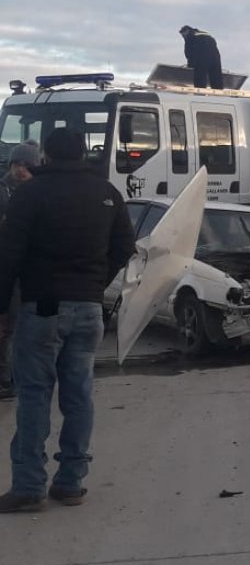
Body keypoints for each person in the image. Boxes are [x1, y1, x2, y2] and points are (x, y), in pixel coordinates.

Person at [0, 128, 134, 512]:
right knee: (79, 397)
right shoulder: (107, 192)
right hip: (88, 309)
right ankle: (71, 483)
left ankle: (29, 486)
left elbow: (7, 258)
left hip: (41, 307)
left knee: (34, 396)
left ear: (46, 158)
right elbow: (125, 248)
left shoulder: (30, 194)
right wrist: (95, 283)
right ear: (82, 154)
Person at [0, 142, 41, 400]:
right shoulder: (3, 192)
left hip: (31, 270)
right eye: (18, 164)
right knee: (8, 325)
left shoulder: (38, 193)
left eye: (27, 166)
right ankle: (5, 379)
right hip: (7, 269)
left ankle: (14, 375)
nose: (21, 171)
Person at [179, 25, 224, 89]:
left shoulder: (190, 36)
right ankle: (218, 88)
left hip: (202, 57)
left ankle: (200, 91)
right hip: (215, 58)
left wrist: (190, 64)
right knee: (215, 75)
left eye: (183, 35)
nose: (183, 37)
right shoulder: (207, 35)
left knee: (200, 75)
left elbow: (188, 52)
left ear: (186, 31)